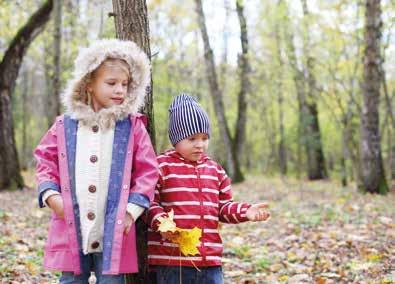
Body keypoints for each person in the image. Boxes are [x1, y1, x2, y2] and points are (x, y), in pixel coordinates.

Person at [34, 39, 158, 283]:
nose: (120, 90)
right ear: (89, 83)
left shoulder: (132, 127)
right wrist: (51, 196)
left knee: (111, 280)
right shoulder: (65, 125)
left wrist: (131, 212)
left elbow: (148, 171)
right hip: (72, 220)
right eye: (111, 83)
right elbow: (45, 160)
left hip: (114, 225)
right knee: (71, 279)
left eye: (125, 84)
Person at [147, 93, 270, 283]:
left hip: (210, 260)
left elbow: (222, 208)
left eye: (204, 138)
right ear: (176, 139)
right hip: (173, 260)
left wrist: (246, 212)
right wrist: (161, 222)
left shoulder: (215, 170)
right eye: (192, 139)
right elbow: (149, 202)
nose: (199, 145)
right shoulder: (162, 166)